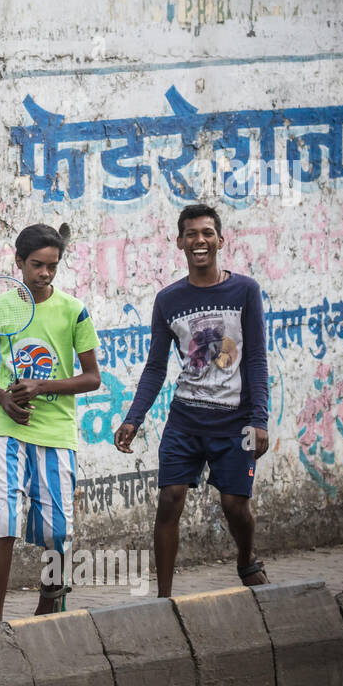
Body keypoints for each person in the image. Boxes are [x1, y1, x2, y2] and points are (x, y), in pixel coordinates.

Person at [113, 204, 270, 597]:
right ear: (179, 242)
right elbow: (154, 368)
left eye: (207, 233)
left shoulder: (245, 291)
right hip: (185, 419)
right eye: (191, 234)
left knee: (236, 505)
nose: (199, 241)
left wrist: (260, 419)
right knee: (170, 498)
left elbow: (255, 359)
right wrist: (134, 418)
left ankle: (246, 557)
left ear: (220, 239)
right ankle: (164, 598)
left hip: (236, 423)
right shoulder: (168, 299)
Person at [0, 225, 101, 618]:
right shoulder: (1, 307)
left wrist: (41, 386)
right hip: (9, 428)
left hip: (56, 431)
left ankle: (50, 595)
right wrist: (1, 397)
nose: (44, 274)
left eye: (52, 266)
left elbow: (92, 378)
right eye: (37, 265)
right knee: (4, 519)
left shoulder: (73, 310)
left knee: (59, 530)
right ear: (19, 263)